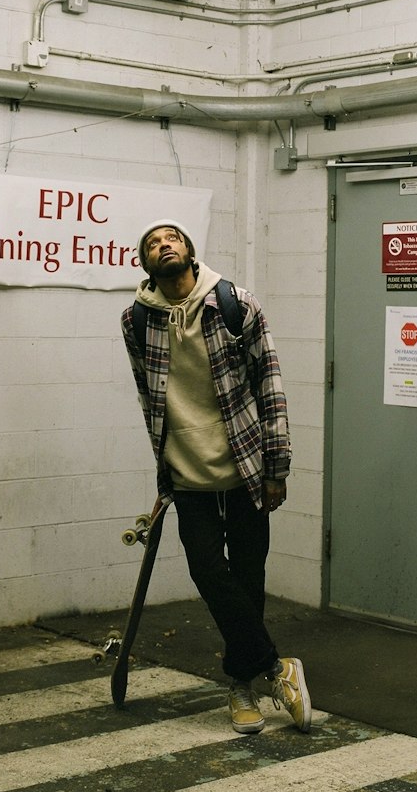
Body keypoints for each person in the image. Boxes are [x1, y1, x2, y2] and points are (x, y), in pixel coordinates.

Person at [121, 219, 311, 735]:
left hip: (246, 469)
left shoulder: (235, 306)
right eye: (153, 244)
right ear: (146, 263)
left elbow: (269, 383)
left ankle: (240, 687)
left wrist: (278, 466)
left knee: (249, 581)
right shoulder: (136, 322)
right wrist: (163, 472)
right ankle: (276, 667)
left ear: (189, 251)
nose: (164, 247)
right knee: (209, 572)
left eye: (172, 239)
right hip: (187, 477)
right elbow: (148, 400)